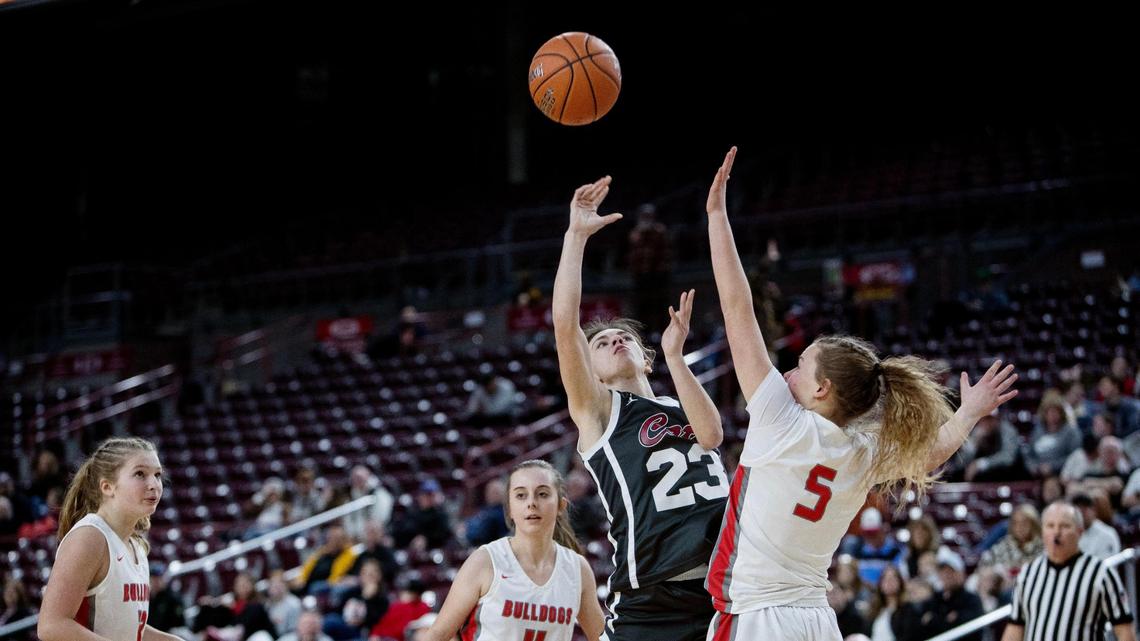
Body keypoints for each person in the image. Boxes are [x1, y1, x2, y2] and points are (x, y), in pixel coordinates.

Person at [701, 146, 1019, 641]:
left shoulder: (780, 420)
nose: (787, 371)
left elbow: (737, 310)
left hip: (759, 618)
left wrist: (718, 219)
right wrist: (970, 413)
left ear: (823, 389)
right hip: (816, 618)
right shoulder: (862, 452)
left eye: (801, 366)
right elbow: (930, 451)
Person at [552, 176, 729, 640]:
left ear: (645, 358)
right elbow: (565, 324)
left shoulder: (679, 399)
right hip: (652, 597)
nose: (614, 340)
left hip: (725, 586)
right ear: (591, 372)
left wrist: (675, 357)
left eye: (624, 337)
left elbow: (711, 436)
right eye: (603, 342)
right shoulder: (599, 412)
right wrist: (575, 237)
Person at [422, 460, 604, 641]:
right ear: (509, 509)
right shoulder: (485, 561)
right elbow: (437, 635)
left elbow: (601, 638)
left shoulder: (577, 569)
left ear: (560, 506)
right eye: (521, 495)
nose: (532, 503)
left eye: (542, 494)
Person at [37, 437, 184, 641]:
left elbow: (127, 630)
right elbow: (51, 626)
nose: (154, 484)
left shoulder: (137, 546)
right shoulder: (90, 536)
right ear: (107, 486)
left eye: (157, 475)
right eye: (140, 474)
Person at [1002, 501, 1134, 641]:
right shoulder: (1028, 574)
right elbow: (1015, 627)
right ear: (1042, 532)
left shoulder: (1100, 573)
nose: (1056, 533)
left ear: (1080, 532)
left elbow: (1124, 630)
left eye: (1064, 526)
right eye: (1050, 526)